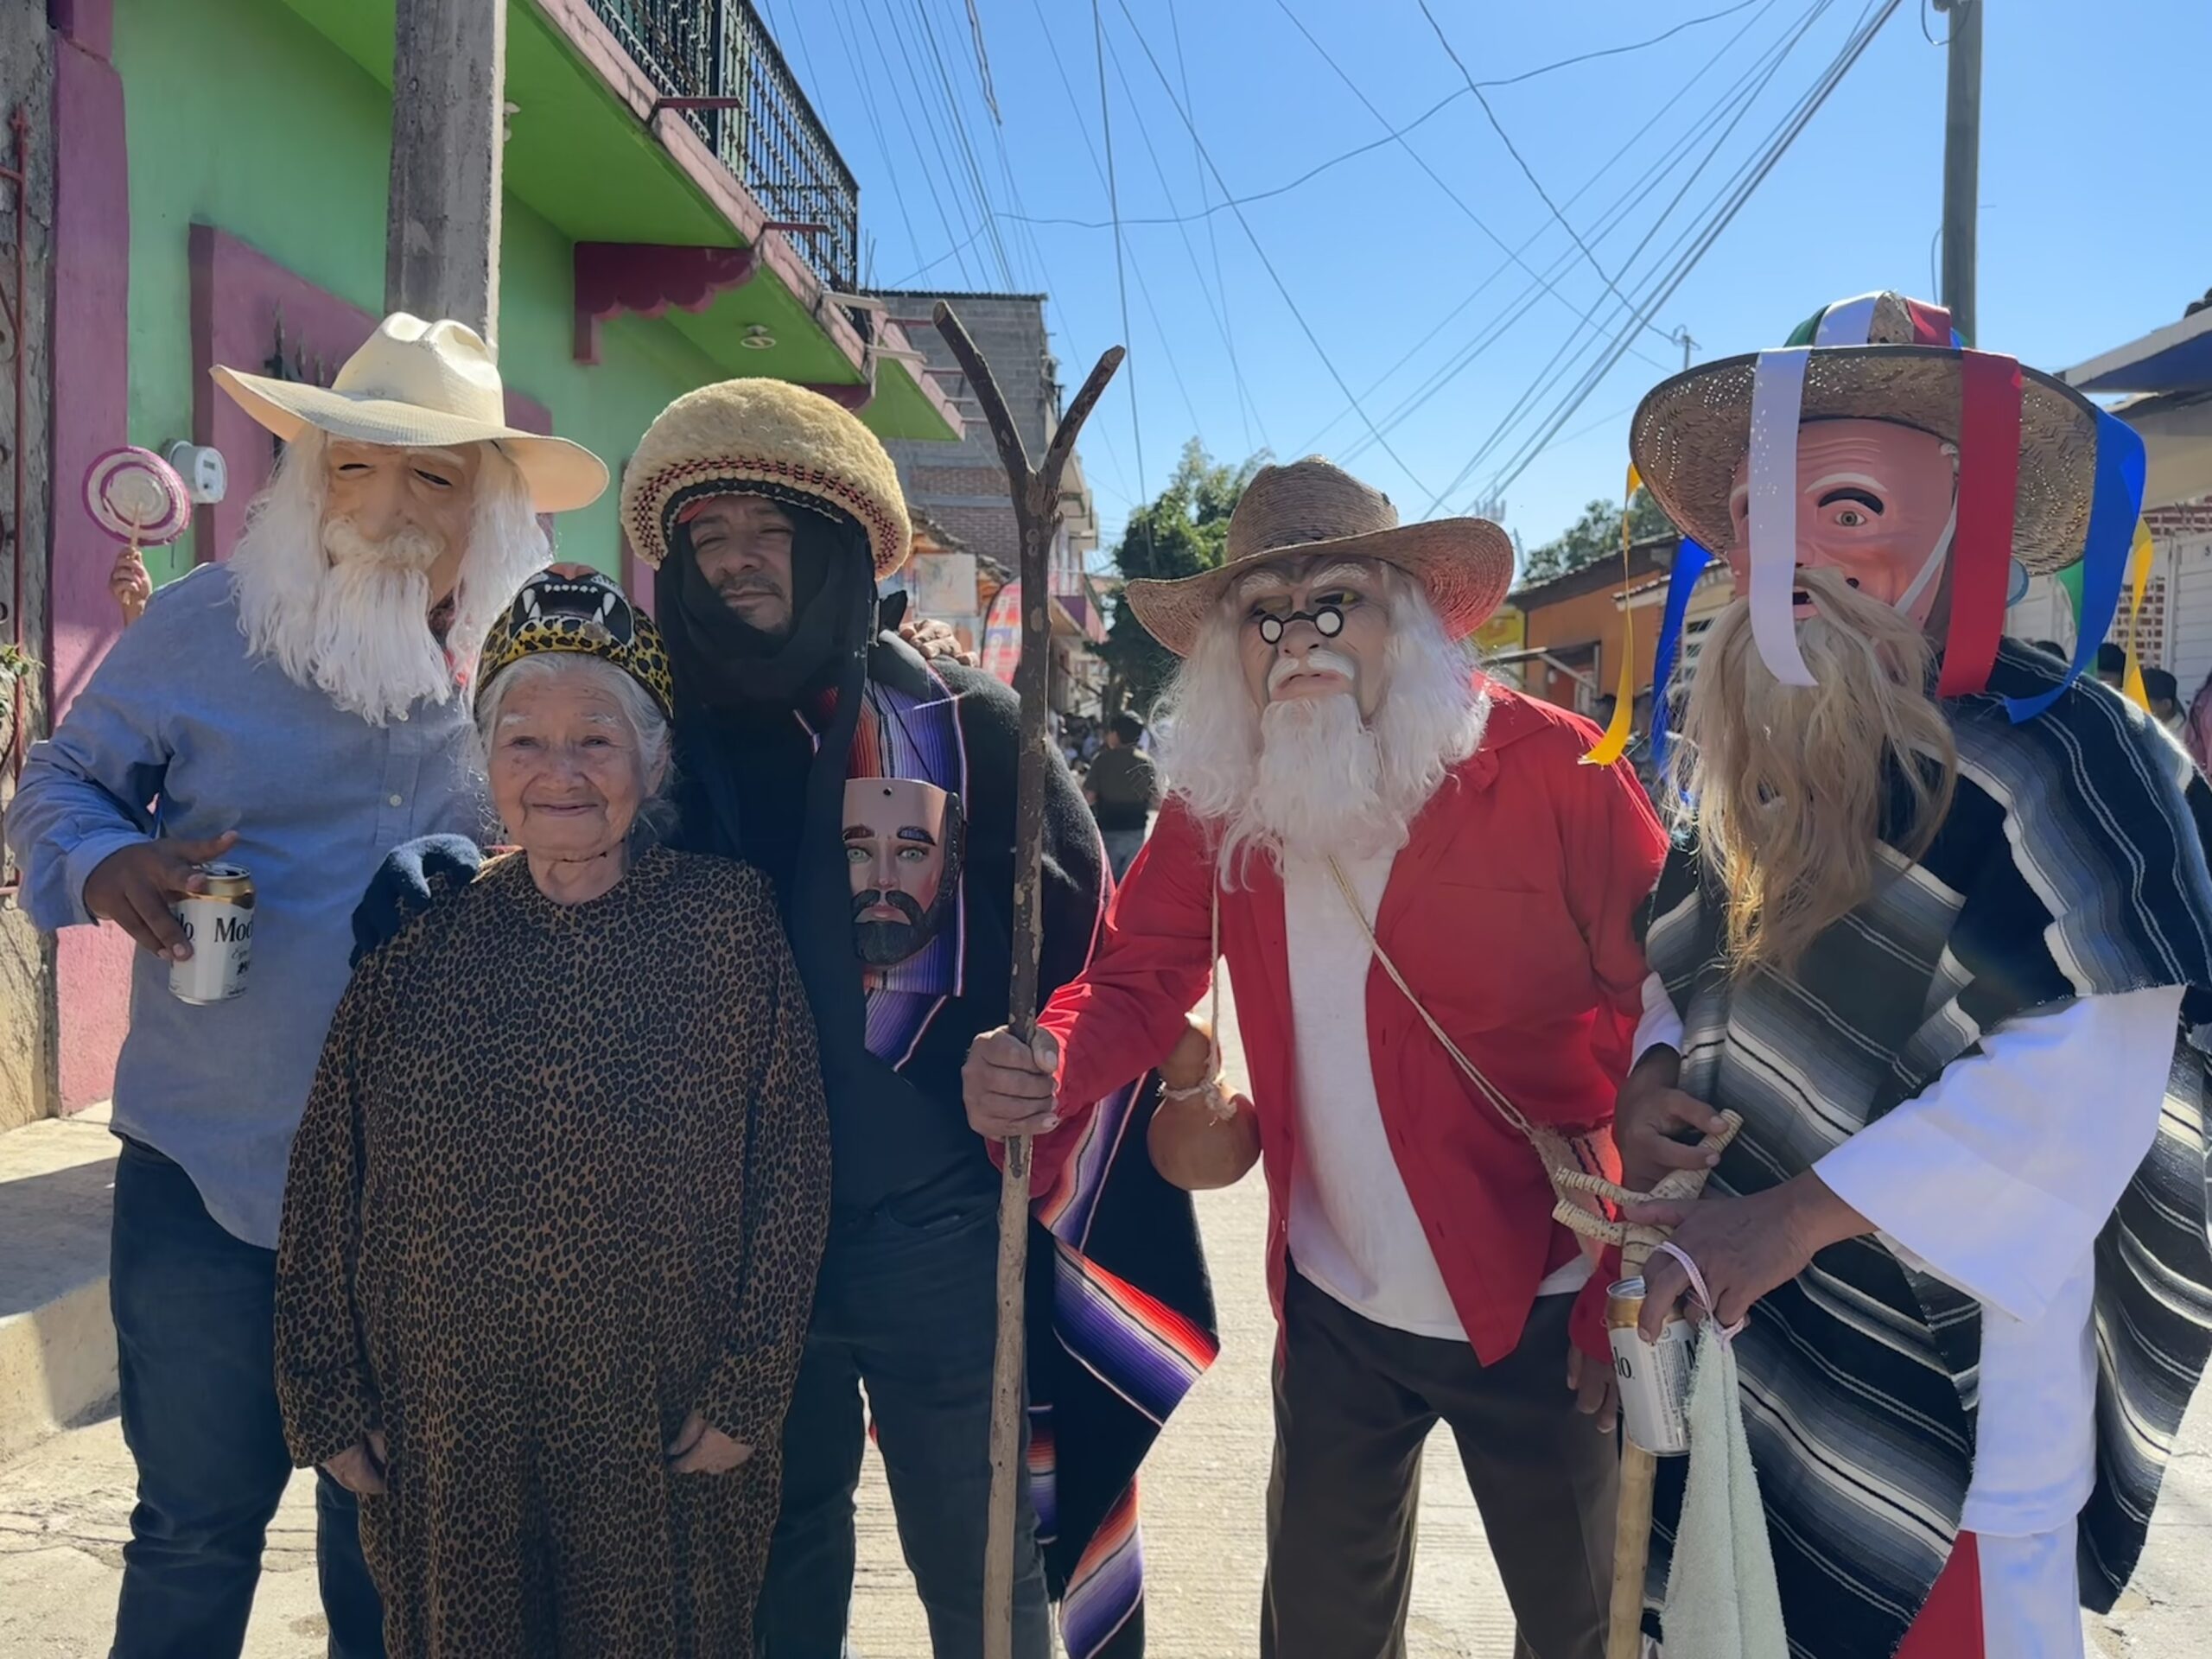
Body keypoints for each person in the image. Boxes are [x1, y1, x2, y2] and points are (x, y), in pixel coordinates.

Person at [963, 456, 1669, 1659]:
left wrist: (1636, 1275)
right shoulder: (1220, 800)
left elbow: (1663, 1009)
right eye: (1264, 615)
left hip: (1548, 1296)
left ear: (1411, 616)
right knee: (1318, 1637)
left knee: (1585, 1629)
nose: (1298, 639)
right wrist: (1047, 1058)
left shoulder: (1556, 770)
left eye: (1335, 601)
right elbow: (1139, 979)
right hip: (1336, 1304)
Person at [1611, 290, 2212, 1658]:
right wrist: (1652, 1076)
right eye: (1761, 517)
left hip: (1959, 1393)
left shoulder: (2068, 759)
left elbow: (2091, 1082)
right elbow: (1685, 977)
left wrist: (1793, 1221)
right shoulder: (1755, 765)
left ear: (1965, 518)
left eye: (1849, 509)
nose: (1793, 560)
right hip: (1738, 1342)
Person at [4, 314, 605, 1659]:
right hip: (208, 1172)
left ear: (490, 508)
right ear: (307, 480)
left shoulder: (536, 676)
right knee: (191, 1534)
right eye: (353, 468)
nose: (385, 510)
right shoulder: (207, 625)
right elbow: (60, 783)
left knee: (397, 1563)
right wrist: (108, 866)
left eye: (433, 477)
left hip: (434, 1204)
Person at [616, 378, 1211, 1659]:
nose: (737, 561)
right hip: (730, 1246)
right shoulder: (645, 741)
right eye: (709, 539)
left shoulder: (966, 725)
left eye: (769, 532)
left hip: (936, 1234)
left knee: (983, 1568)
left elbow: (1093, 956)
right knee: (769, 1566)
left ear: (836, 546)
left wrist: (1044, 1056)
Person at [274, 570, 828, 1656]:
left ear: (653, 762)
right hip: (448, 1437)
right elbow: (326, 1178)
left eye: (597, 740)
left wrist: (751, 1388)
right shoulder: (417, 945)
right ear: (485, 762)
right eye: (523, 740)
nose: (559, 771)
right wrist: (324, 1394)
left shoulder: (727, 929)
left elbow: (793, 1170)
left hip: (656, 1432)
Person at [1084, 710, 1161, 880]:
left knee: (1108, 880)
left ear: (1116, 734)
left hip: (1109, 828)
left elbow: (1089, 797)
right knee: (1128, 880)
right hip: (1136, 829)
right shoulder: (1146, 763)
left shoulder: (1102, 760)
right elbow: (1156, 800)